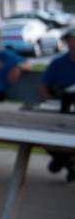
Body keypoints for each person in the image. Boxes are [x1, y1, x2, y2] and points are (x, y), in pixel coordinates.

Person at [39, 27, 75, 183]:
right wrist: (48, 98)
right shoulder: (58, 63)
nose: (72, 44)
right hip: (61, 107)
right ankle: (68, 162)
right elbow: (43, 86)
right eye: (70, 41)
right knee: (43, 132)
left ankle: (63, 161)